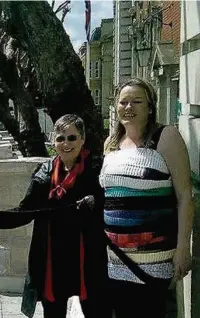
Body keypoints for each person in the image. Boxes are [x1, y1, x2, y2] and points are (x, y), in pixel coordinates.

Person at [99, 77, 194, 318]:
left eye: (136, 102)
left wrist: (183, 248)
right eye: (123, 102)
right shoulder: (111, 143)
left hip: (154, 261)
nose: (128, 107)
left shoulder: (166, 137)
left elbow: (184, 196)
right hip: (115, 260)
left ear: (150, 106)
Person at [0, 114, 108, 318]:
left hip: (88, 258)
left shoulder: (97, 169)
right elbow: (24, 212)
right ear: (53, 141)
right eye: (60, 138)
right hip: (52, 260)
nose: (66, 143)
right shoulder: (44, 174)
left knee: (96, 311)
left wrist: (96, 201)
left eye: (72, 138)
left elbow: (112, 202)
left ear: (82, 139)